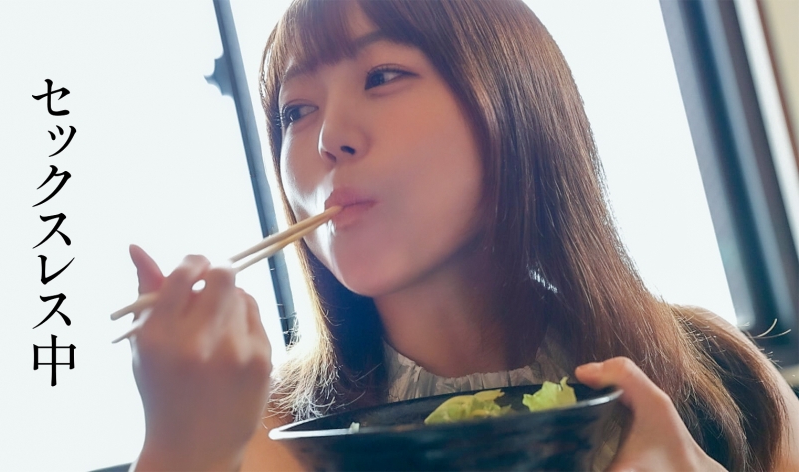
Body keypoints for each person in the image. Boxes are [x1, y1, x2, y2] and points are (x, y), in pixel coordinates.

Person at [124, 0, 799, 470]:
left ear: (516, 104)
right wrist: (182, 453)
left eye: (382, 76)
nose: (328, 137)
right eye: (297, 110)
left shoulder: (719, 376)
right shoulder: (268, 438)